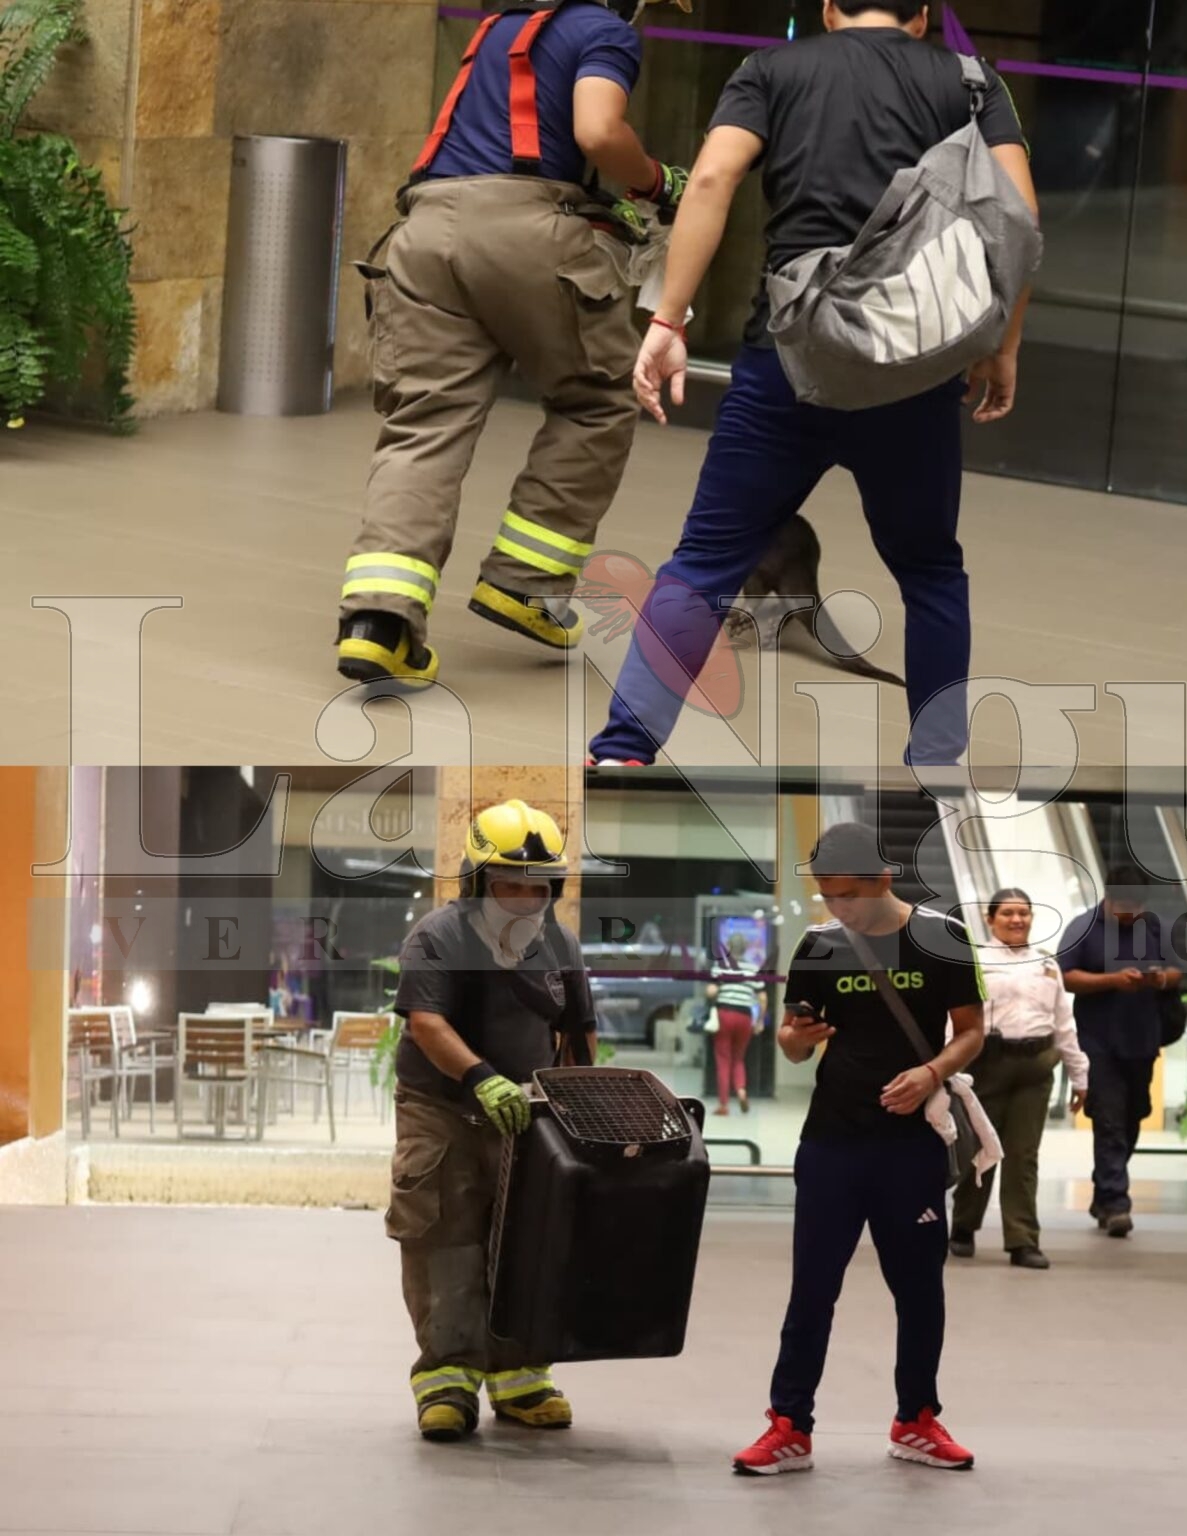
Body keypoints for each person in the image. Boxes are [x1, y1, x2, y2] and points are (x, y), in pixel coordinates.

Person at [586, 0, 1037, 769]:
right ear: (923, 17)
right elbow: (1019, 218)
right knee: (929, 570)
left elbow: (711, 181)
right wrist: (1000, 345)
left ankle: (626, 749)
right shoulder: (971, 82)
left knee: (704, 563)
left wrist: (668, 319)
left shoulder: (772, 69)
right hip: (910, 369)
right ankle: (936, 766)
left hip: (786, 360)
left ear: (829, 10)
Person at [336, 0, 694, 689]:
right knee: (598, 399)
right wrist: (653, 180)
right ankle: (524, 584)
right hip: (529, 229)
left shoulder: (496, 28)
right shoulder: (603, 31)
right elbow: (597, 129)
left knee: (424, 425)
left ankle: (378, 624)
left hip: (424, 232)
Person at [732, 821, 985, 1476]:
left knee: (920, 1289)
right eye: (826, 895)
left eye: (847, 894)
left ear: (883, 879)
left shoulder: (941, 937)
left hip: (912, 1147)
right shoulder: (819, 946)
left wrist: (931, 1073)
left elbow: (973, 1031)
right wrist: (800, 1037)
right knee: (812, 1288)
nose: (836, 907)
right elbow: (788, 1040)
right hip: (832, 1143)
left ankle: (917, 1420)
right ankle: (789, 1424)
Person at [385, 798, 597, 1441]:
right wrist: (481, 1078)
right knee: (446, 1237)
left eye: (538, 886)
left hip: (527, 1117)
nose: (524, 898)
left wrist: (578, 1106)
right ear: (477, 882)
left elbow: (578, 1030)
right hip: (442, 1110)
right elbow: (426, 1021)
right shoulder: (439, 935)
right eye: (509, 884)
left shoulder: (558, 942)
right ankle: (446, 1382)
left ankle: (522, 1376)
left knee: (525, 1244)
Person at [950, 887, 1089, 1271]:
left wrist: (1080, 1076)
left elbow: (1064, 1023)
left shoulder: (1046, 964)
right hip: (985, 1067)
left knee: (1024, 1156)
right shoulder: (974, 961)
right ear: (990, 920)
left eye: (1023, 913)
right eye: (1008, 913)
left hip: (1036, 1066)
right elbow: (955, 1020)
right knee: (980, 1148)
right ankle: (963, 1227)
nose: (1017, 920)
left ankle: (1022, 1239)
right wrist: (948, 1070)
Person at [1058, 866, 1182, 1239]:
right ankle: (1116, 1203)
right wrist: (1112, 980)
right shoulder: (1083, 927)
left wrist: (1160, 978)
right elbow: (1064, 976)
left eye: (1135, 909)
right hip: (1098, 1043)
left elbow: (1180, 970)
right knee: (1109, 1120)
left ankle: (1104, 1188)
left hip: (1143, 1039)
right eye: (1122, 908)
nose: (1128, 915)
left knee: (1132, 1117)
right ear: (1108, 899)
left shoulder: (1156, 927)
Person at [706, 930, 766, 1115]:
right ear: (746, 949)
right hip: (745, 1017)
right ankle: (741, 1091)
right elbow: (762, 997)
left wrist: (713, 990)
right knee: (738, 1059)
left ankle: (724, 1105)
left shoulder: (721, 966)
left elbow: (710, 992)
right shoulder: (753, 969)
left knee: (723, 1059)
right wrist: (759, 1021)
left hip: (725, 1014)